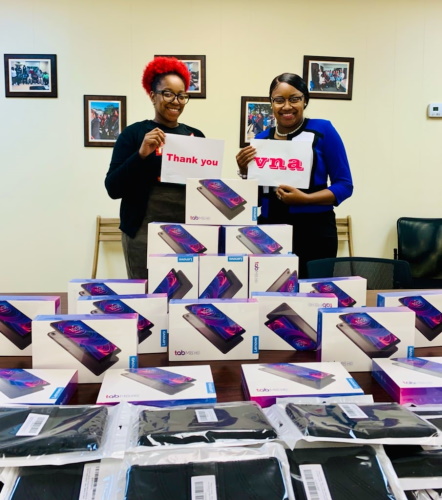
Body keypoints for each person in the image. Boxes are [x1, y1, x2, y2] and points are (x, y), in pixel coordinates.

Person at [236, 73, 353, 278]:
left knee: (314, 298)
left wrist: (306, 199)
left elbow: (344, 185)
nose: (287, 106)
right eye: (279, 100)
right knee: (269, 296)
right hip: (270, 230)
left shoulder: (323, 130)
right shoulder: (261, 139)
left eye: (294, 99)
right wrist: (245, 173)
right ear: (271, 103)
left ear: (305, 100)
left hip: (316, 231)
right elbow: (255, 199)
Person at [105, 57, 205, 279]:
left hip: (187, 232)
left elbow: (204, 189)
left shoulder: (196, 136)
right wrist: (140, 154)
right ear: (153, 95)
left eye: (181, 95)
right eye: (168, 93)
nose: (175, 101)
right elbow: (112, 188)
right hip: (142, 232)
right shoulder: (133, 134)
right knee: (144, 298)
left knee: (185, 293)